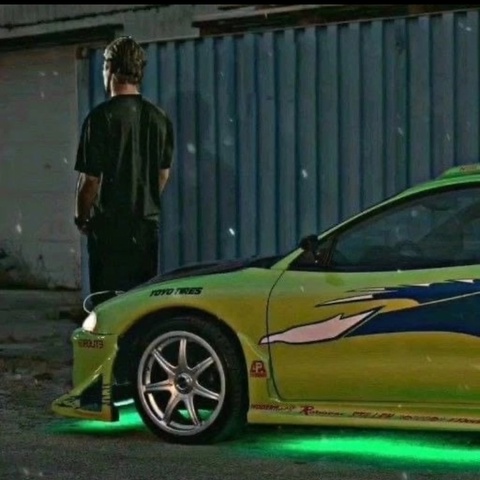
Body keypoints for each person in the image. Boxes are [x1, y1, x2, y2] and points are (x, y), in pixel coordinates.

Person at [74, 36, 174, 296]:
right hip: (145, 231)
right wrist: (143, 200)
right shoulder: (159, 119)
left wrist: (82, 217)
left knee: (107, 304)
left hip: (108, 231)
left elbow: (90, 181)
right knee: (140, 303)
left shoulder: (99, 118)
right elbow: (163, 175)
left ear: (111, 69)